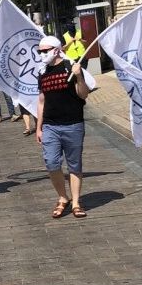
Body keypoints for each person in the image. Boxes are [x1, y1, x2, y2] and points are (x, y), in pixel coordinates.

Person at [36, 35, 91, 219]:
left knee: (74, 164)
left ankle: (75, 202)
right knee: (51, 163)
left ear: (56, 50)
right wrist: (39, 127)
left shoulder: (71, 66)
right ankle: (62, 197)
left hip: (73, 123)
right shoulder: (42, 72)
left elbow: (83, 95)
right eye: (39, 51)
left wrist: (79, 76)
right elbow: (41, 101)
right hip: (50, 125)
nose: (42, 54)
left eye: (44, 51)